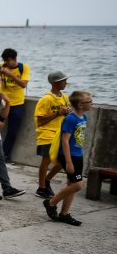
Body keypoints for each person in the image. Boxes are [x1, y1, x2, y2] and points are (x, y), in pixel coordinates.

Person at [43, 91, 91, 226]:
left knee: (72, 185)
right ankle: (51, 202)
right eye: (89, 102)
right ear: (81, 105)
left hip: (78, 155)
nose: (92, 103)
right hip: (68, 156)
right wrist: (69, 162)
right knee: (78, 185)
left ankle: (65, 214)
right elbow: (65, 141)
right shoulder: (71, 119)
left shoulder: (84, 117)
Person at [33, 71, 70, 198]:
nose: (66, 83)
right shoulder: (46, 99)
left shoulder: (64, 97)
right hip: (47, 133)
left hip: (60, 134)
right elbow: (40, 120)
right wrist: (58, 113)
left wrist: (66, 113)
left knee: (63, 161)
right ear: (55, 83)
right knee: (46, 160)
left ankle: (47, 180)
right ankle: (41, 188)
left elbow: (64, 114)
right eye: (63, 81)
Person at [0, 48, 31, 163]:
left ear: (13, 59)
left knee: (12, 132)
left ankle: (5, 155)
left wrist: (9, 74)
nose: (5, 63)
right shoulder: (1, 66)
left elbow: (23, 84)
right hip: (2, 102)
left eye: (7, 61)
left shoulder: (24, 68)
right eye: (4, 61)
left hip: (17, 104)